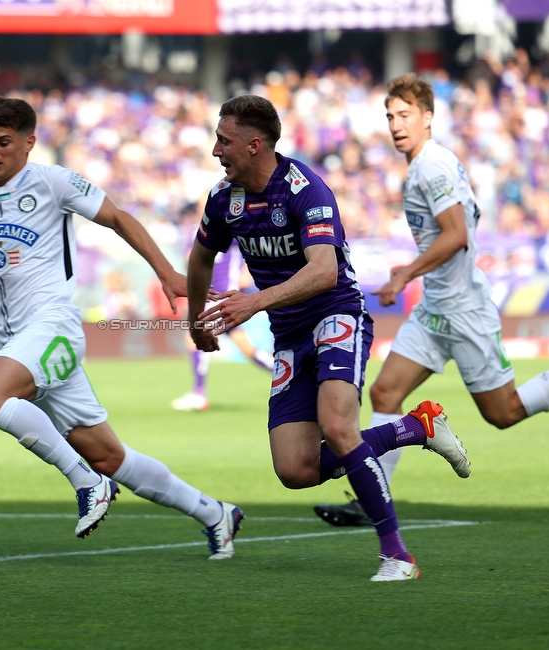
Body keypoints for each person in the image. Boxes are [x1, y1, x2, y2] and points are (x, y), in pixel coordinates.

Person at [314, 73, 549, 527]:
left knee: (503, 412)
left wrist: (405, 275)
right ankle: (374, 498)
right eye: (390, 116)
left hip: (465, 310)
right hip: (436, 308)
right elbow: (469, 219)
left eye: (405, 115)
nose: (396, 124)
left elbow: (455, 234)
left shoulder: (431, 166)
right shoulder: (434, 164)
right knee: (384, 391)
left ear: (428, 117)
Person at [0, 96, 243, 558]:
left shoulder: (54, 182)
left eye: (3, 142)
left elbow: (118, 218)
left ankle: (87, 483)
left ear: (28, 143)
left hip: (54, 329)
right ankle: (214, 512)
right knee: (110, 455)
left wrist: (168, 273)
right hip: (17, 344)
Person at [187, 95, 471, 581]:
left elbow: (323, 272)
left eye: (224, 141)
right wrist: (197, 319)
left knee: (338, 425)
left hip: (335, 313)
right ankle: (415, 428)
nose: (216, 150)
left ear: (254, 145)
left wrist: (254, 302)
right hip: (289, 332)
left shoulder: (306, 190)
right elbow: (199, 259)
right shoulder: (223, 199)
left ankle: (397, 556)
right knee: (295, 470)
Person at [171, 239, 276, 412]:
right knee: (246, 348)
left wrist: (246, 271)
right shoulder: (202, 229)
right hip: (216, 295)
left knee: (194, 336)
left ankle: (198, 393)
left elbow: (253, 245)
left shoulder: (229, 227)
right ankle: (290, 375)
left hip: (219, 296)